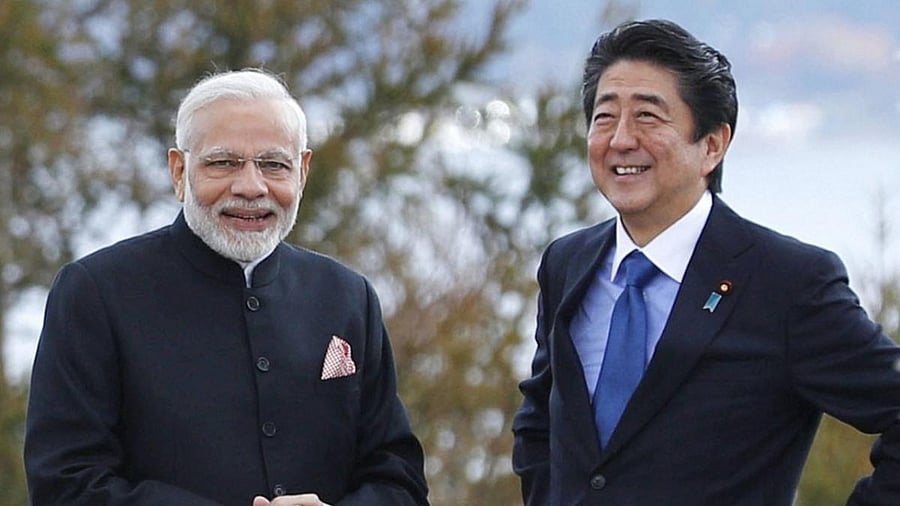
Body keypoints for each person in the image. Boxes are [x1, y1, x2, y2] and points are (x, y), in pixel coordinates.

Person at [512, 19, 900, 505]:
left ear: (713, 145)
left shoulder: (787, 282)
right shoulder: (567, 263)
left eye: (648, 117)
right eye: (605, 116)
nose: (621, 139)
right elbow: (540, 419)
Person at [25, 69, 429, 506]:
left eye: (274, 165)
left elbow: (400, 480)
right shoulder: (95, 293)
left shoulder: (348, 297)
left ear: (303, 172)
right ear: (179, 171)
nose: (251, 187)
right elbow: (64, 483)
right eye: (224, 162)